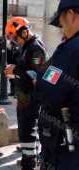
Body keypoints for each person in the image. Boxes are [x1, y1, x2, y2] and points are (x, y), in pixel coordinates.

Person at [35, 0, 79, 169]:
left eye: (60, 22)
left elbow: (49, 90)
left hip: (67, 147)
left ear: (70, 15)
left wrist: (37, 80)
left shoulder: (69, 50)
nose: (61, 28)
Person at [4, 17, 47, 170]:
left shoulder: (36, 48)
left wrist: (15, 70)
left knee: (28, 130)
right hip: (23, 96)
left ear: (24, 31)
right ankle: (30, 159)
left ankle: (29, 164)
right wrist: (14, 71)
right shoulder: (26, 47)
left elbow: (37, 74)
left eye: (15, 37)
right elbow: (24, 68)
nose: (14, 41)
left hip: (31, 97)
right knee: (25, 129)